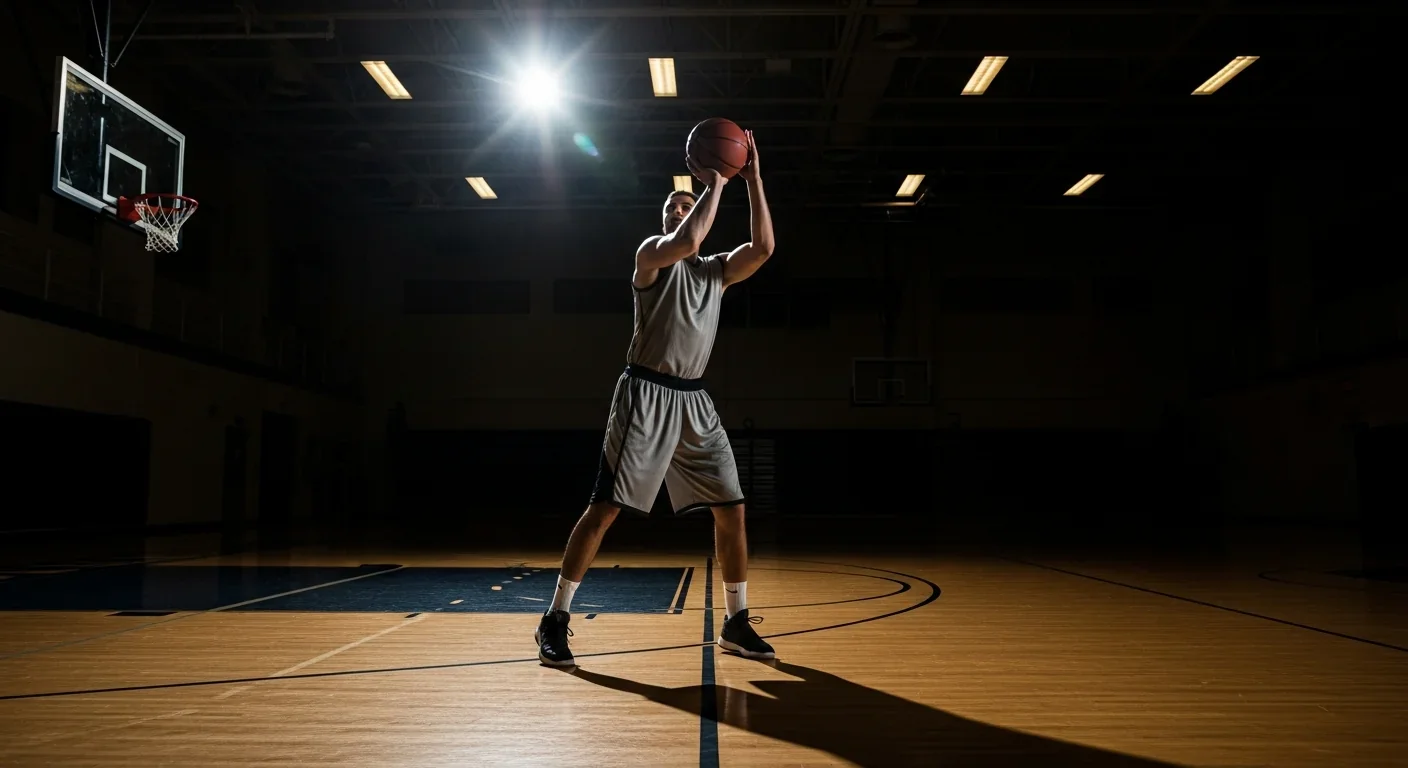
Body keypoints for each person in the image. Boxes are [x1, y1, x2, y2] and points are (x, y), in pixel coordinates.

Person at [535, 131, 776, 667]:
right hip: (644, 392)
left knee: (732, 510)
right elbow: (689, 241)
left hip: (694, 401)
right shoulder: (652, 256)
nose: (680, 207)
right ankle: (555, 618)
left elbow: (763, 249)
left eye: (687, 202)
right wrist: (716, 181)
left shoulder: (715, 273)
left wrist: (753, 179)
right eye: (673, 204)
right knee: (604, 509)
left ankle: (736, 622)